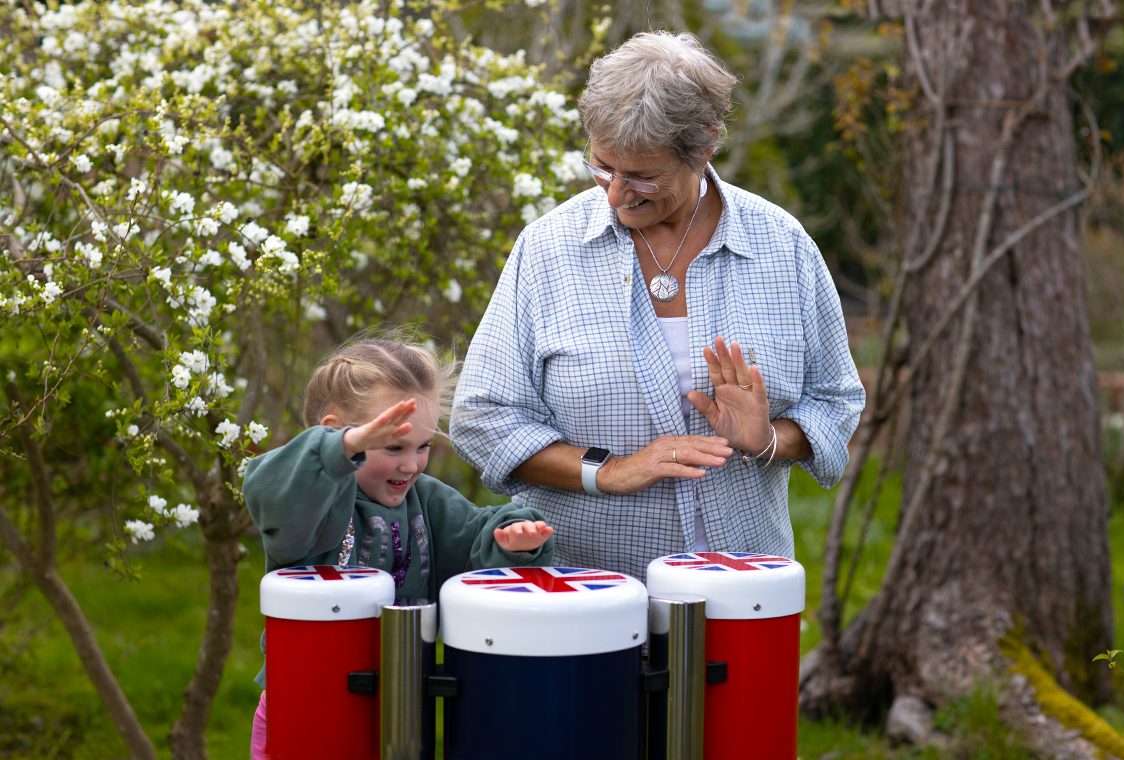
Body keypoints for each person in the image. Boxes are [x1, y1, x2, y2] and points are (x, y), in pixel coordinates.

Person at [451, 31, 864, 579]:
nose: (616, 194)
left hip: (743, 591)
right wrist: (611, 470)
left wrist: (767, 441)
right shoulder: (549, 249)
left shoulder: (782, 246)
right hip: (583, 590)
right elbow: (483, 417)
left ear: (706, 145)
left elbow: (835, 402)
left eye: (643, 175)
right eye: (602, 167)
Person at [244, 334, 555, 759]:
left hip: (400, 706)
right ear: (336, 436)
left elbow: (473, 542)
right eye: (393, 446)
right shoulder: (313, 503)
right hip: (308, 704)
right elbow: (271, 489)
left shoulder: (424, 500)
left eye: (423, 446)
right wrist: (341, 450)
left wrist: (513, 542)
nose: (411, 464)